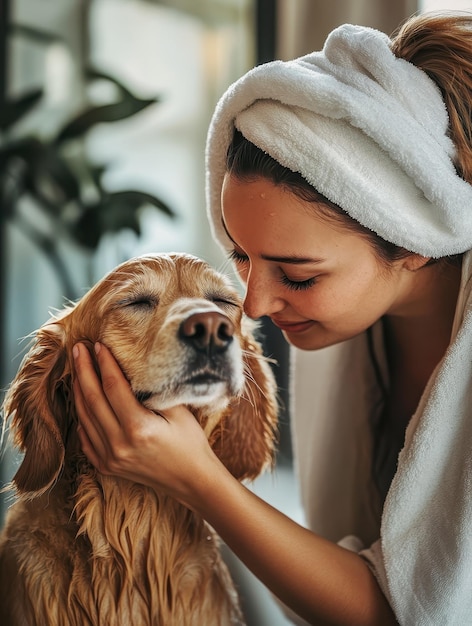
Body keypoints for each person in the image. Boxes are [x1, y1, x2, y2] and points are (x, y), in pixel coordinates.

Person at [73, 12, 472, 625]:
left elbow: (409, 614)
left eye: (299, 275)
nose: (252, 306)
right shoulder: (355, 321)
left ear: (415, 238)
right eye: (240, 255)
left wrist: (199, 481)